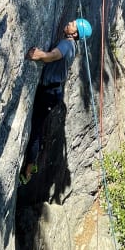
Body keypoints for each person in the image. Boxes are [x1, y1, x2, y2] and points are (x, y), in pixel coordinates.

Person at [20, 18, 92, 184]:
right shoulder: (72, 45)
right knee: (38, 127)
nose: (70, 22)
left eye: (73, 24)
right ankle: (33, 161)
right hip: (53, 92)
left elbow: (54, 56)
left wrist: (39, 55)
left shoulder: (67, 45)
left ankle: (28, 170)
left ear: (75, 33)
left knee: (36, 130)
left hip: (49, 92)